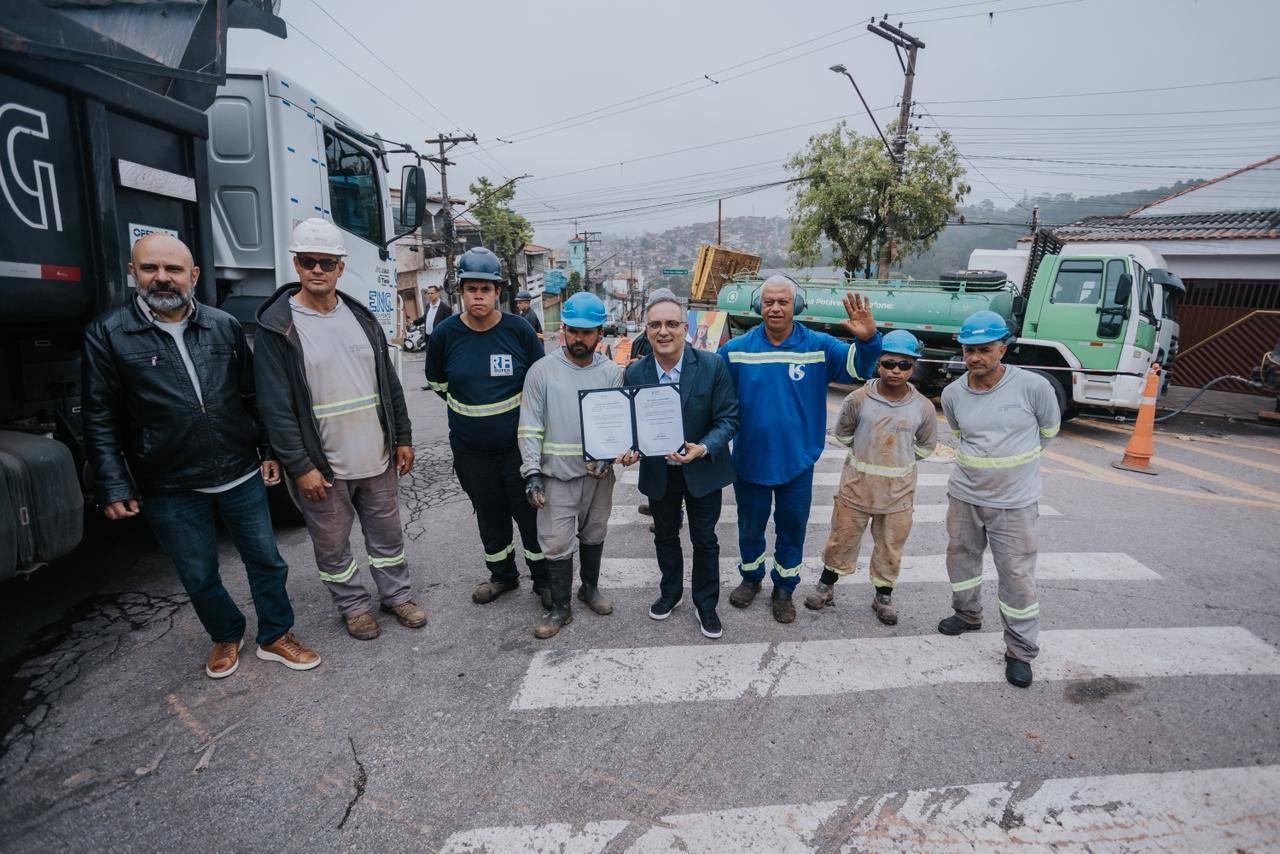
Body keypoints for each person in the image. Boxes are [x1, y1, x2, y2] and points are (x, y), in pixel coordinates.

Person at [82, 233, 319, 679]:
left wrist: (268, 449)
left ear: (192, 276)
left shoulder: (222, 326)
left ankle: (275, 634)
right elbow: (100, 415)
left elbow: (252, 395)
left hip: (239, 472)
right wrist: (113, 482)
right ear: (133, 273)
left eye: (173, 269)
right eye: (150, 268)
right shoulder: (109, 335)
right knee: (197, 572)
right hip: (168, 484)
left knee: (267, 560)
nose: (162, 278)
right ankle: (226, 634)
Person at [254, 218, 426, 641]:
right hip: (323, 465)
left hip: (376, 456)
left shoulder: (360, 317)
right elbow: (275, 409)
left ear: (340, 267)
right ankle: (352, 606)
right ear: (296, 264)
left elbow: (388, 385)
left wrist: (402, 437)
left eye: (326, 263)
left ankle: (396, 596)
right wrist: (300, 466)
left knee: (387, 535)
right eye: (309, 261)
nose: (317, 270)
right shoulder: (278, 328)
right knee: (333, 545)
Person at [719, 275, 882, 624]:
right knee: (749, 528)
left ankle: (784, 588)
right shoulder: (737, 349)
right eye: (768, 302)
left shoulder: (819, 346)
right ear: (757, 305)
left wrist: (868, 340)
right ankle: (751, 578)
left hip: (798, 462)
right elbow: (713, 393)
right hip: (749, 460)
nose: (775, 308)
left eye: (783, 302)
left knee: (792, 528)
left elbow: (859, 368)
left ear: (797, 306)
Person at [937, 310, 1061, 689]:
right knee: (961, 560)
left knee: (1017, 576)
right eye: (969, 350)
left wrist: (1011, 470)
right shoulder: (953, 393)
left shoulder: (1033, 387)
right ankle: (968, 614)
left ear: (1002, 349)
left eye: (984, 350)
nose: (975, 358)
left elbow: (1049, 430)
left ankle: (1020, 650)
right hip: (965, 495)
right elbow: (959, 433)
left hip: (1016, 502)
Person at [425, 248, 549, 607]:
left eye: (486, 288)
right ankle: (503, 576)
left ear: (498, 292)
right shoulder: (446, 335)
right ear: (460, 292)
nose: (478, 295)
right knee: (490, 517)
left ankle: (543, 581)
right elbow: (437, 382)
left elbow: (539, 384)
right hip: (471, 452)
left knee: (530, 516)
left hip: (517, 450)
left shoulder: (519, 330)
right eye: (471, 288)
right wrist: (473, 412)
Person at [624, 289, 739, 639]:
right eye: (655, 324)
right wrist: (629, 448)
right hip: (660, 474)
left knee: (705, 540)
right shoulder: (634, 372)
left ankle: (706, 605)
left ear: (684, 328)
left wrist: (703, 447)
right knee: (665, 536)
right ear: (646, 331)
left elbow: (729, 418)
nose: (663, 331)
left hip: (702, 471)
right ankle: (670, 593)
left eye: (671, 324)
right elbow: (631, 425)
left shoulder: (711, 365)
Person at [805, 330, 937, 624]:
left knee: (891, 546)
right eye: (889, 363)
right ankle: (826, 586)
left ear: (913, 367)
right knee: (841, 539)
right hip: (856, 489)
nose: (896, 370)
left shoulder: (923, 407)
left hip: (898, 495)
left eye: (904, 365)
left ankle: (883, 596)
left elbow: (925, 446)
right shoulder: (858, 398)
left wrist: (896, 459)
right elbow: (844, 434)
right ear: (878, 363)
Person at [518, 292, 624, 639]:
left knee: (595, 532)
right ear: (562, 329)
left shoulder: (611, 373)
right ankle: (560, 607)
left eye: (587, 332)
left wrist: (608, 456)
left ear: (599, 333)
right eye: (573, 331)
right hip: (556, 477)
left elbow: (616, 426)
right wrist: (532, 473)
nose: (580, 338)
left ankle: (589, 588)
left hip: (599, 476)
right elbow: (530, 426)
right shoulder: (542, 372)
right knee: (556, 542)